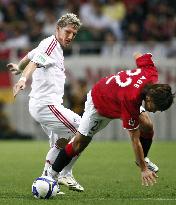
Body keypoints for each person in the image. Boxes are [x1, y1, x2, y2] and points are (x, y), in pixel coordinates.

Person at [46, 52, 175, 187]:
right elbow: (134, 139)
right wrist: (144, 170)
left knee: (147, 124)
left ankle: (142, 159)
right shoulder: (131, 100)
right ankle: (52, 174)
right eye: (156, 107)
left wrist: (141, 161)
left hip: (117, 97)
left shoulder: (151, 73)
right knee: (79, 143)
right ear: (149, 98)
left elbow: (137, 54)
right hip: (99, 103)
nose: (155, 111)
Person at [7, 13, 84, 192]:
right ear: (57, 29)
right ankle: (65, 173)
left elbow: (29, 56)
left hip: (46, 106)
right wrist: (23, 79)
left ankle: (47, 183)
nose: (70, 36)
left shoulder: (48, 44)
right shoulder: (51, 45)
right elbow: (34, 62)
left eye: (74, 34)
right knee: (82, 130)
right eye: (68, 31)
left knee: (60, 144)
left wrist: (18, 68)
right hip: (46, 106)